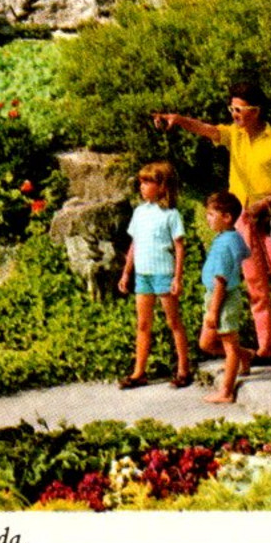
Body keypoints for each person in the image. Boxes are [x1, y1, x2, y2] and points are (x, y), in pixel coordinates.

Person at [153, 83, 271, 361]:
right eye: (231, 108)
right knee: (255, 283)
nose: (234, 114)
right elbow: (207, 130)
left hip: (268, 217)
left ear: (255, 111)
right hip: (241, 217)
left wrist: (266, 201)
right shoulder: (235, 136)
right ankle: (267, 348)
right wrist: (179, 120)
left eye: (239, 109)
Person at [116, 161, 194, 390]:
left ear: (162, 186)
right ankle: (139, 371)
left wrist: (177, 278)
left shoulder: (171, 214)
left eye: (148, 182)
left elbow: (179, 247)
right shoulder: (140, 212)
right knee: (143, 324)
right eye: (141, 182)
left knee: (173, 322)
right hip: (143, 275)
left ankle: (183, 369)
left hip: (163, 274)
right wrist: (126, 272)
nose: (142, 186)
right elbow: (134, 243)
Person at [198, 190, 254, 404]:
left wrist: (214, 310)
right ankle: (244, 355)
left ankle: (226, 391)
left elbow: (220, 280)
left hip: (222, 298)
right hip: (216, 296)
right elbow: (244, 254)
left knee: (229, 346)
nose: (207, 219)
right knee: (206, 343)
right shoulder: (231, 237)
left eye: (211, 215)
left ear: (227, 217)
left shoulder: (224, 245)